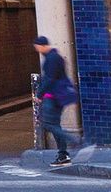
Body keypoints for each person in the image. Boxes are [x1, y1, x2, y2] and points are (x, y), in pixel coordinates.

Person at [34, 35, 82, 167]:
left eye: (37, 47)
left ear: (42, 46)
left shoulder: (52, 58)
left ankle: (74, 140)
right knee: (54, 124)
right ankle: (63, 155)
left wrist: (39, 94)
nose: (37, 49)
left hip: (53, 97)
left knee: (48, 124)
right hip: (56, 96)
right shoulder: (54, 57)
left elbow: (50, 78)